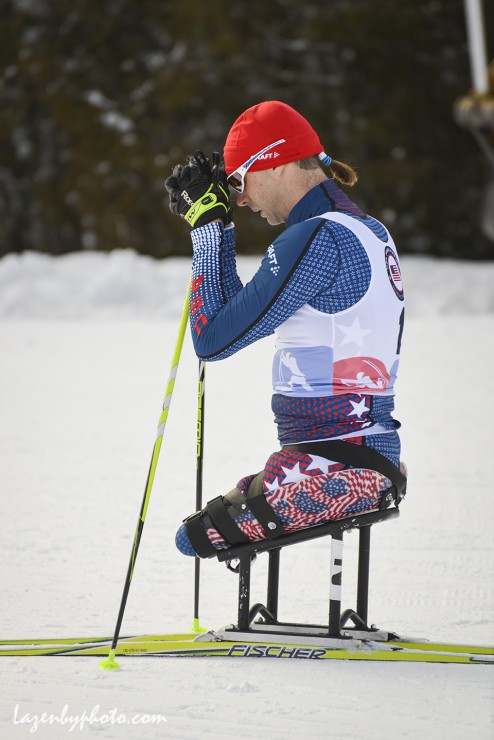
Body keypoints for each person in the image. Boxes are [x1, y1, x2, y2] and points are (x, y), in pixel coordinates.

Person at [164, 101, 406, 559]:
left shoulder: (317, 238)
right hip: (357, 454)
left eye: (239, 181)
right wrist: (215, 227)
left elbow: (212, 338)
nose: (239, 198)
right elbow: (234, 314)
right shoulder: (366, 229)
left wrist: (209, 230)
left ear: (273, 164)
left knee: (192, 537)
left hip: (334, 467)